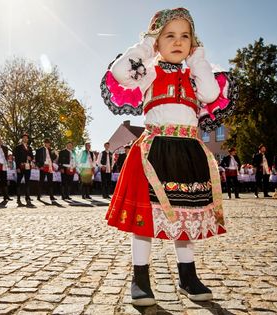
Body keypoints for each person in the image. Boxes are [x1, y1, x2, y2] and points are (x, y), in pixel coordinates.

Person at [101, 7, 226, 305]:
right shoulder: (150, 70)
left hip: (186, 151)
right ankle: (140, 278)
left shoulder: (195, 74)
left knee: (185, 217)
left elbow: (209, 94)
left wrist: (198, 61)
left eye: (185, 36)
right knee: (145, 219)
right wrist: (147, 44)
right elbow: (119, 71)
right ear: (157, 40)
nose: (178, 41)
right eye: (169, 35)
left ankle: (188, 276)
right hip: (154, 151)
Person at [14, 134, 34, 203]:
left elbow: (32, 156)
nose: (25, 139)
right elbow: (16, 158)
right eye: (24, 138)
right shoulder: (18, 147)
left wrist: (30, 158)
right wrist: (17, 167)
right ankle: (18, 197)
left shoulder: (30, 147)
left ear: (28, 139)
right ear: (22, 139)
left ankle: (27, 197)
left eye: (26, 138)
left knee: (27, 182)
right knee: (19, 181)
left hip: (28, 166)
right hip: (21, 166)